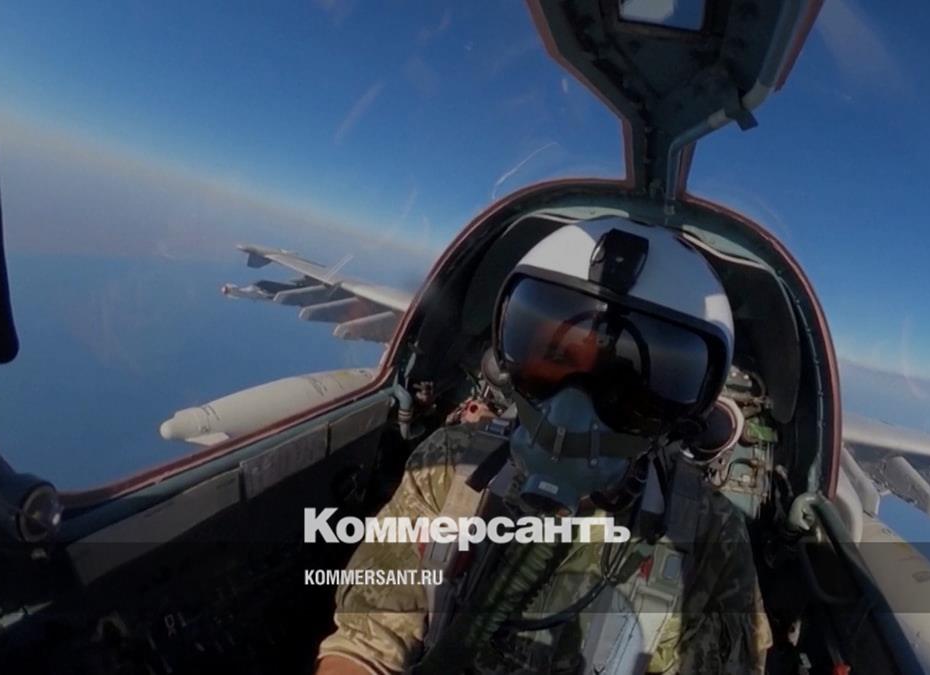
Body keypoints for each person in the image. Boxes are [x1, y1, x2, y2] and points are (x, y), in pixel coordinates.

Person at [315, 217, 772, 674]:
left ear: (678, 416)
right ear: (505, 363)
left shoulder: (709, 535)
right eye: (555, 361)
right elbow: (364, 645)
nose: (574, 409)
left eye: (625, 385)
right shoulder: (451, 466)